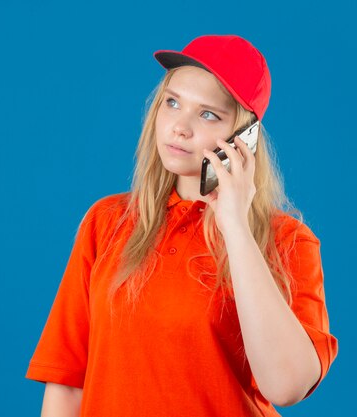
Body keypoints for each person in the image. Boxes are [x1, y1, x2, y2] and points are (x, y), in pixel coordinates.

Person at [25, 34, 338, 417]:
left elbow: (287, 386)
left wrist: (236, 226)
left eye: (208, 114)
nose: (180, 127)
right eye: (173, 103)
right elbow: (67, 379)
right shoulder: (107, 222)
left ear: (245, 136)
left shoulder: (287, 240)